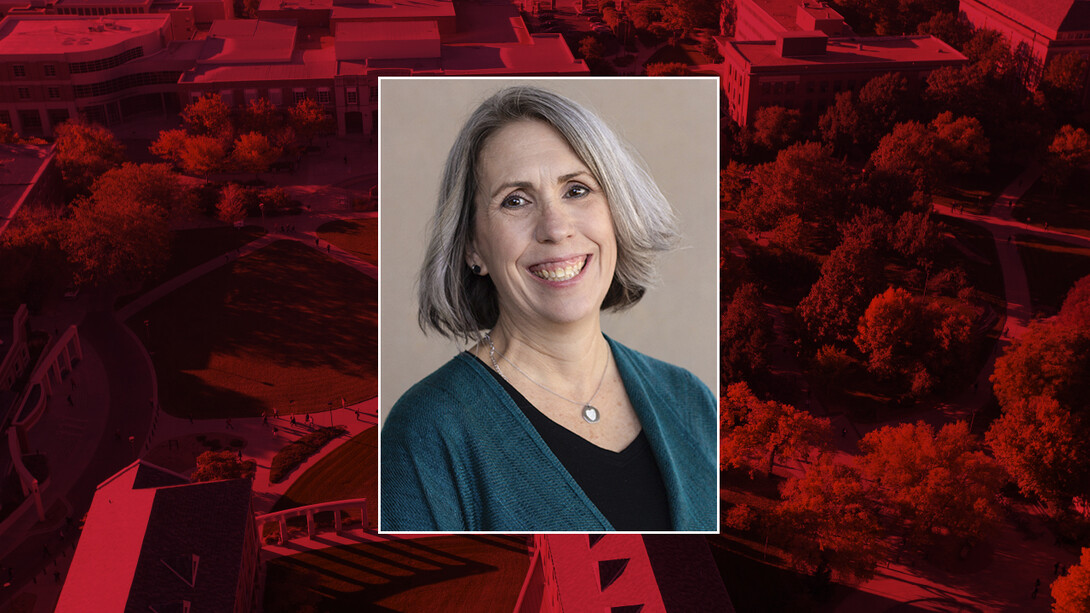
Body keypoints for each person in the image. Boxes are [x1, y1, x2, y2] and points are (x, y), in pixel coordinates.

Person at [381, 86, 717, 532]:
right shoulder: (426, 434)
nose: (556, 228)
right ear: (472, 247)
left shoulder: (691, 401)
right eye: (515, 200)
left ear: (616, 213)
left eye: (577, 190)